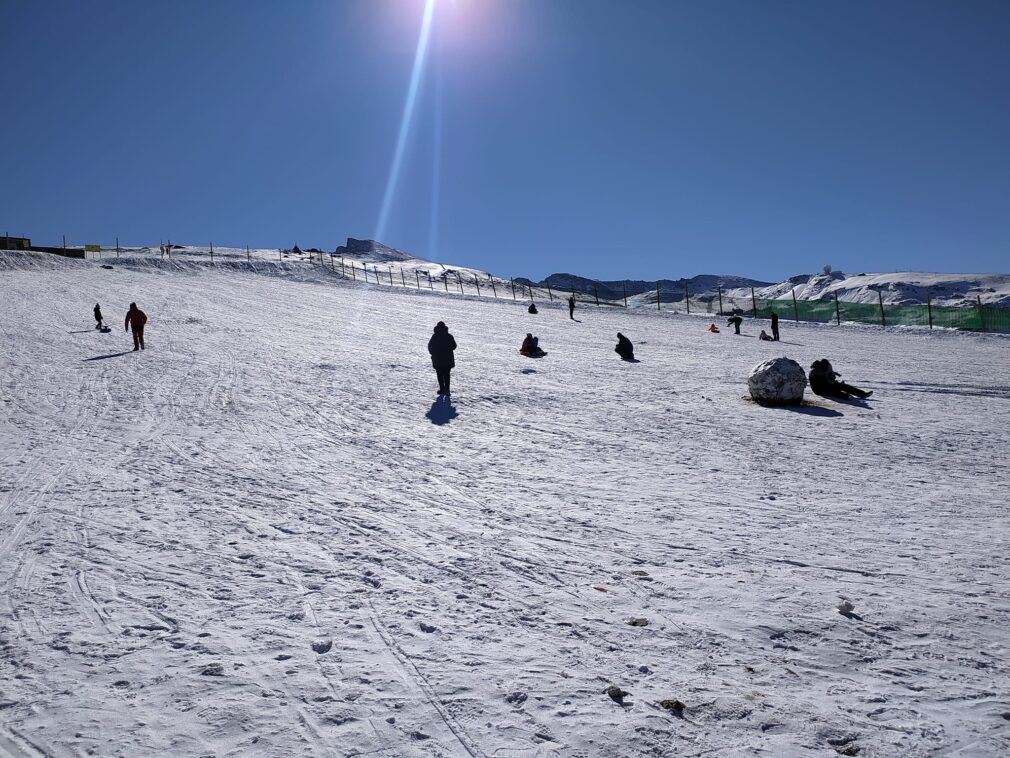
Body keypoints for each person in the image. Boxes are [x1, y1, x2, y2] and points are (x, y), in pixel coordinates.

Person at [808, 359, 872, 400]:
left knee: (842, 386)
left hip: (824, 386)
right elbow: (824, 384)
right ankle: (847, 396)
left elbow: (827, 381)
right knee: (833, 391)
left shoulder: (819, 370)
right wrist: (834, 383)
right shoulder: (816, 373)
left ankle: (862, 394)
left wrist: (835, 383)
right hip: (819, 390)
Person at [427, 321, 457, 395]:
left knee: (439, 375)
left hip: (438, 360)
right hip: (448, 360)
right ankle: (447, 390)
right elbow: (454, 346)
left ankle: (442, 389)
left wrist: (433, 353)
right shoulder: (449, 336)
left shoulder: (435, 336)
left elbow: (430, 346)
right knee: (447, 375)